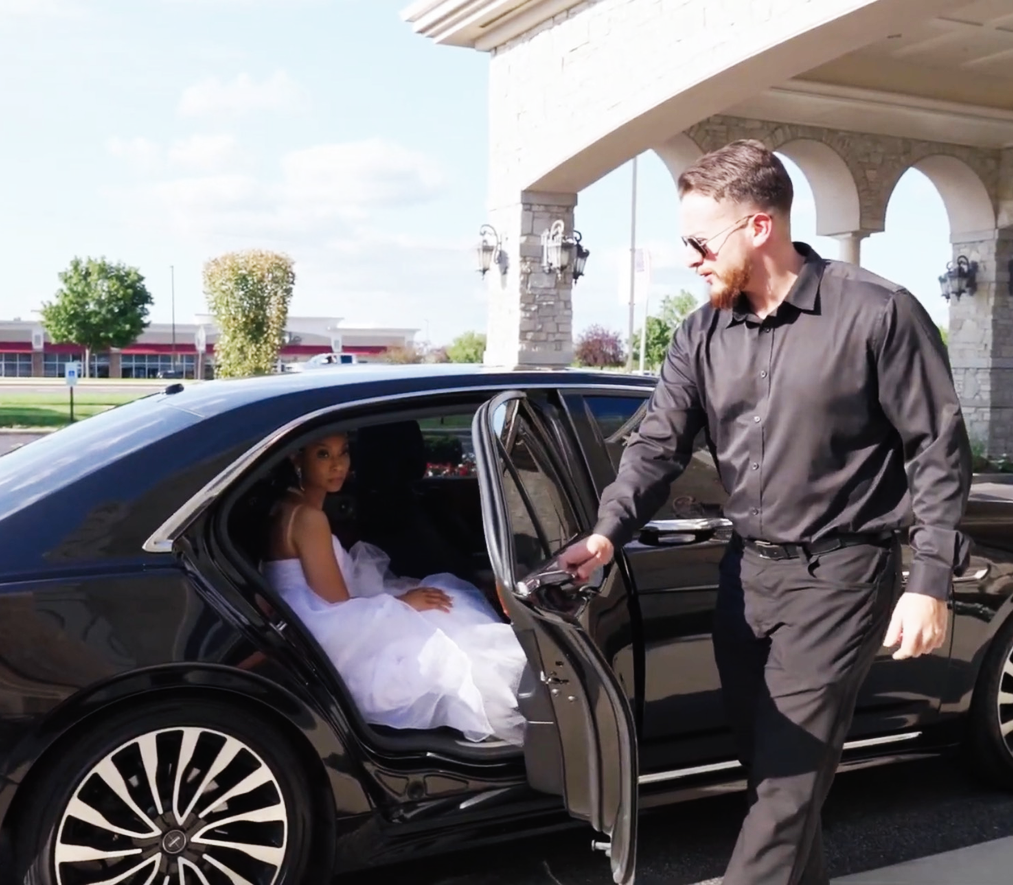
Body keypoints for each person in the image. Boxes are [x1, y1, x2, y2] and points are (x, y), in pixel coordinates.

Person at [560, 139, 971, 885]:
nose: (689, 256)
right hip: (744, 578)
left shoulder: (878, 313)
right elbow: (656, 445)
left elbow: (937, 448)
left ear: (757, 227)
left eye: (698, 241)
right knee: (774, 778)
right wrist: (606, 530)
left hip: (841, 577)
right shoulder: (702, 333)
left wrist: (930, 577)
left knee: (784, 789)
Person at [262, 432, 528, 745]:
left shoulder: (291, 506)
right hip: (329, 637)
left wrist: (401, 596)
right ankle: (537, 697)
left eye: (343, 452)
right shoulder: (308, 518)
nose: (337, 465)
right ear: (297, 458)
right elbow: (337, 607)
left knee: (443, 603)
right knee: (450, 619)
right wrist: (403, 602)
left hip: (314, 623)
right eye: (323, 454)